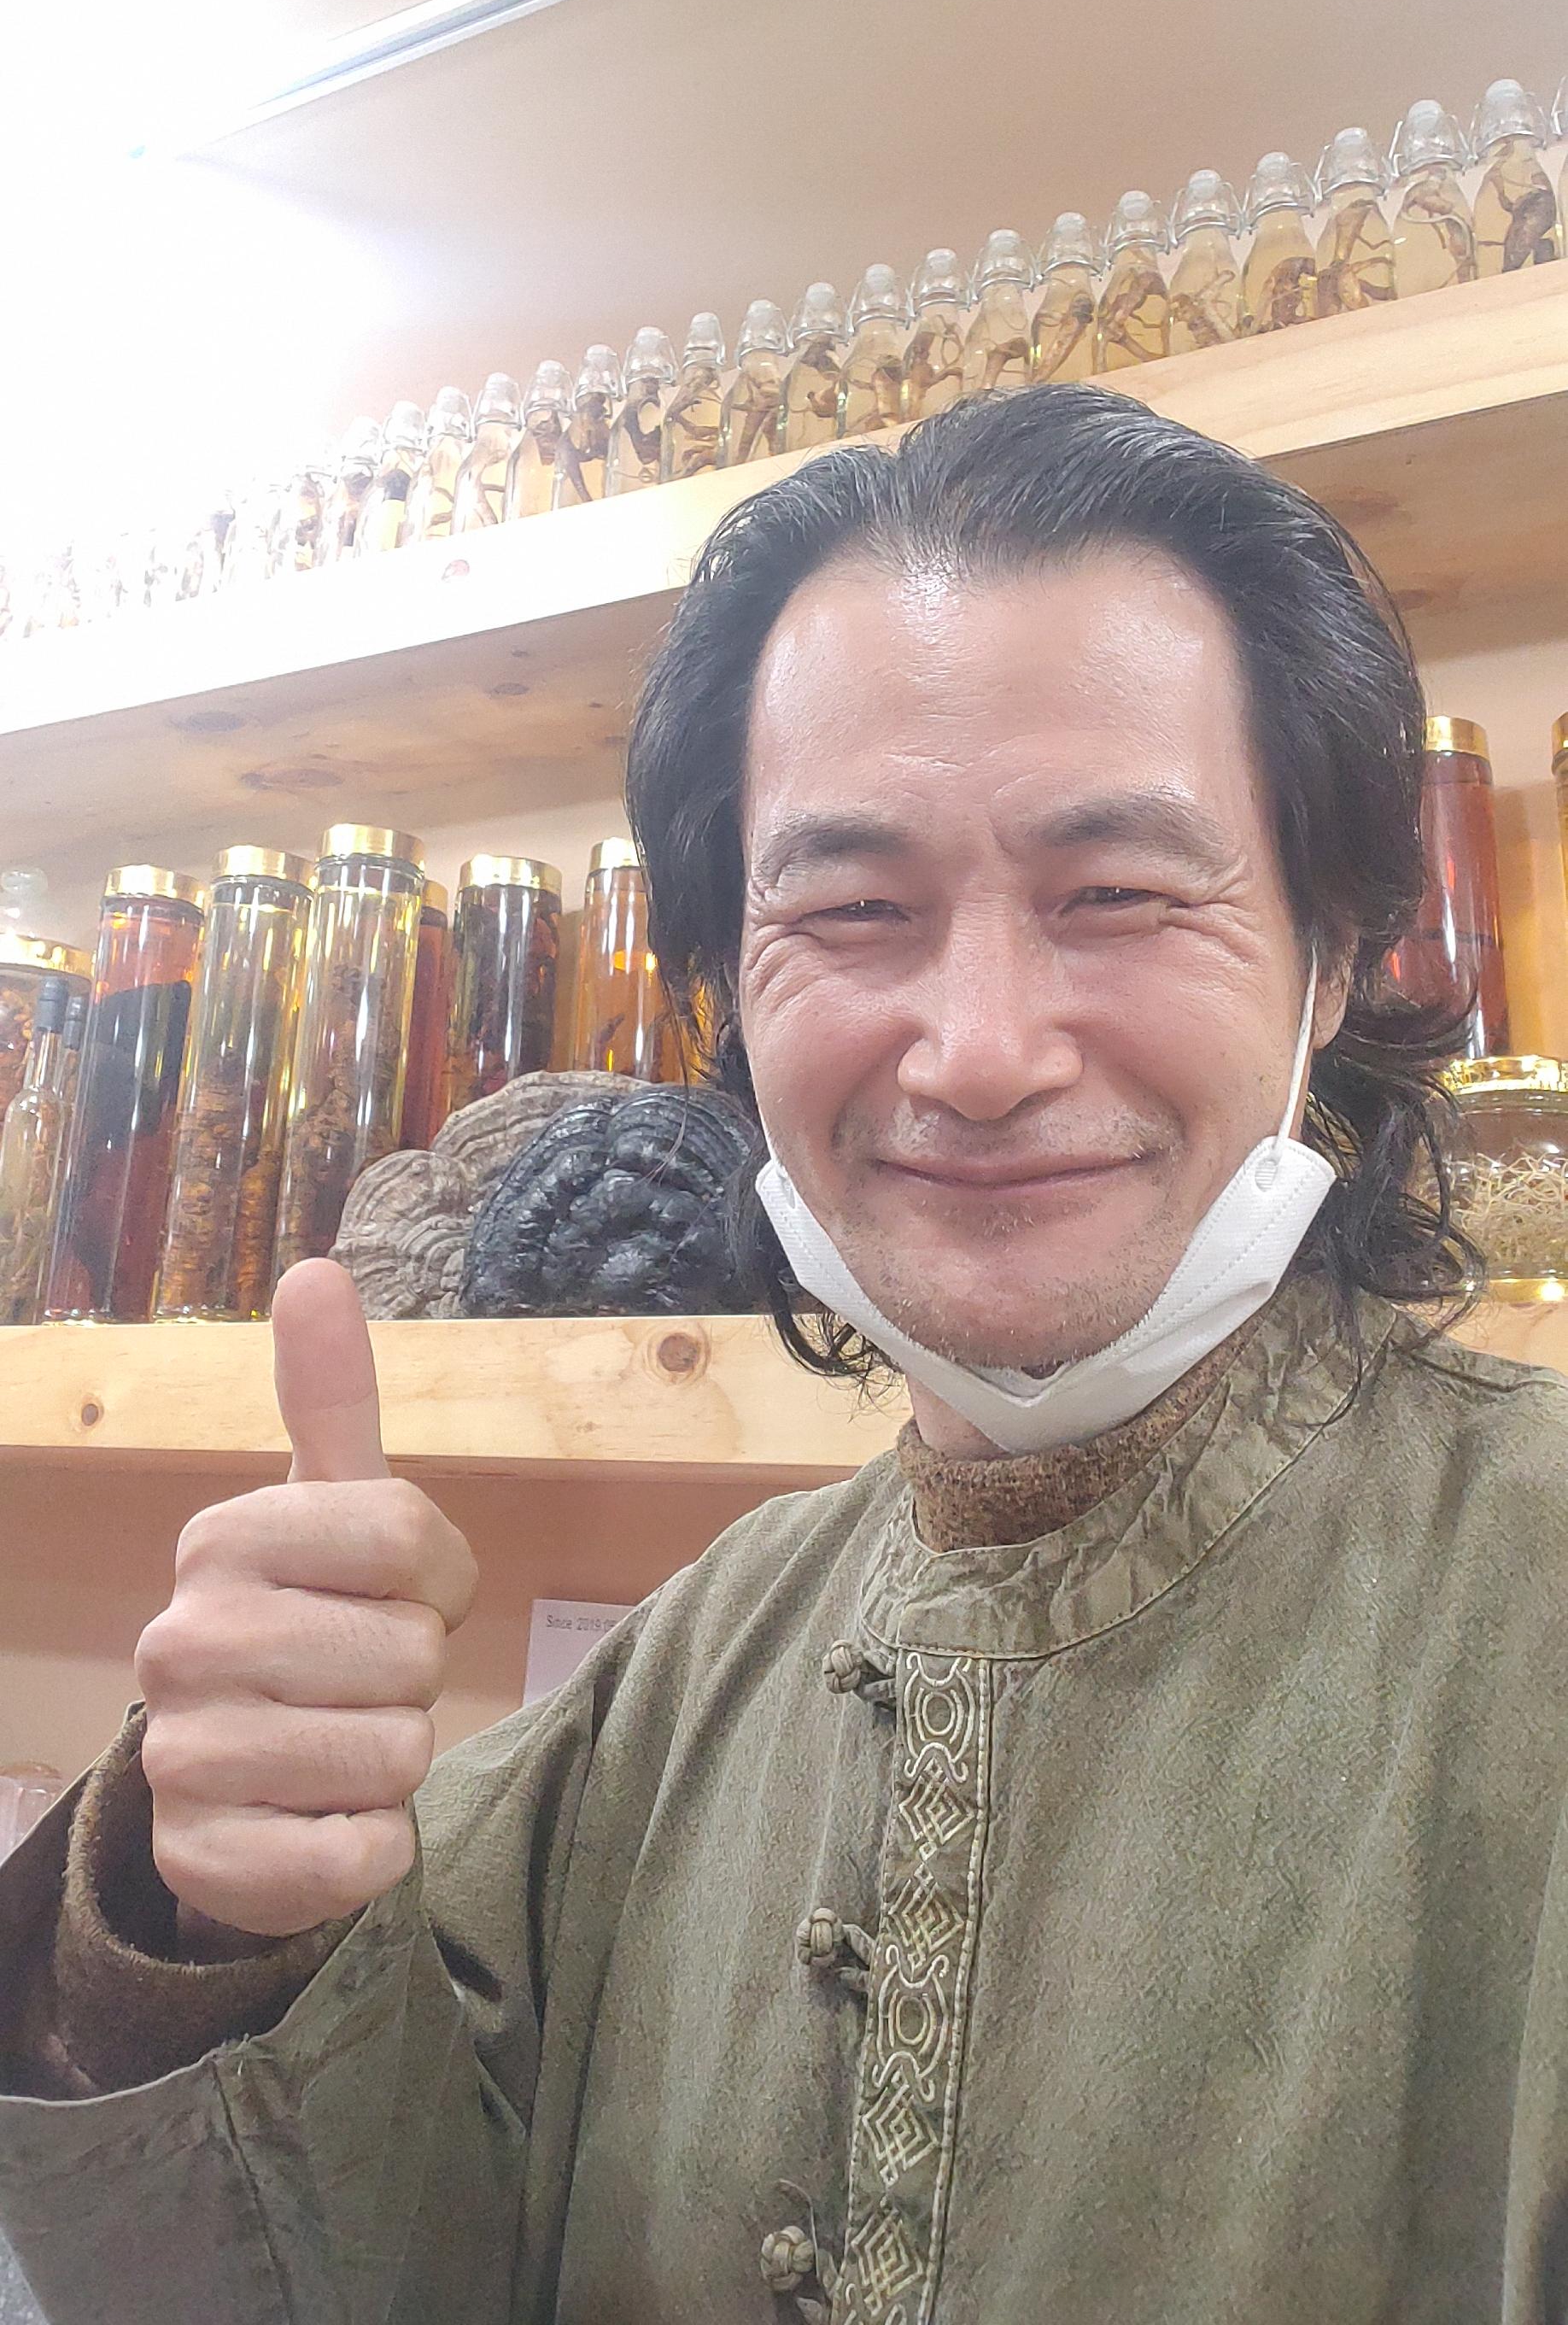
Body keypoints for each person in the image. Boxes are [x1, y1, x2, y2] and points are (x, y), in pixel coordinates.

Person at [1, 382, 1565, 2325]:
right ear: (730, 1000)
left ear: (1335, 956)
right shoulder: (681, 1673)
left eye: (1118, 896)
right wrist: (207, 1915)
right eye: (851, 909)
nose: (978, 1051)